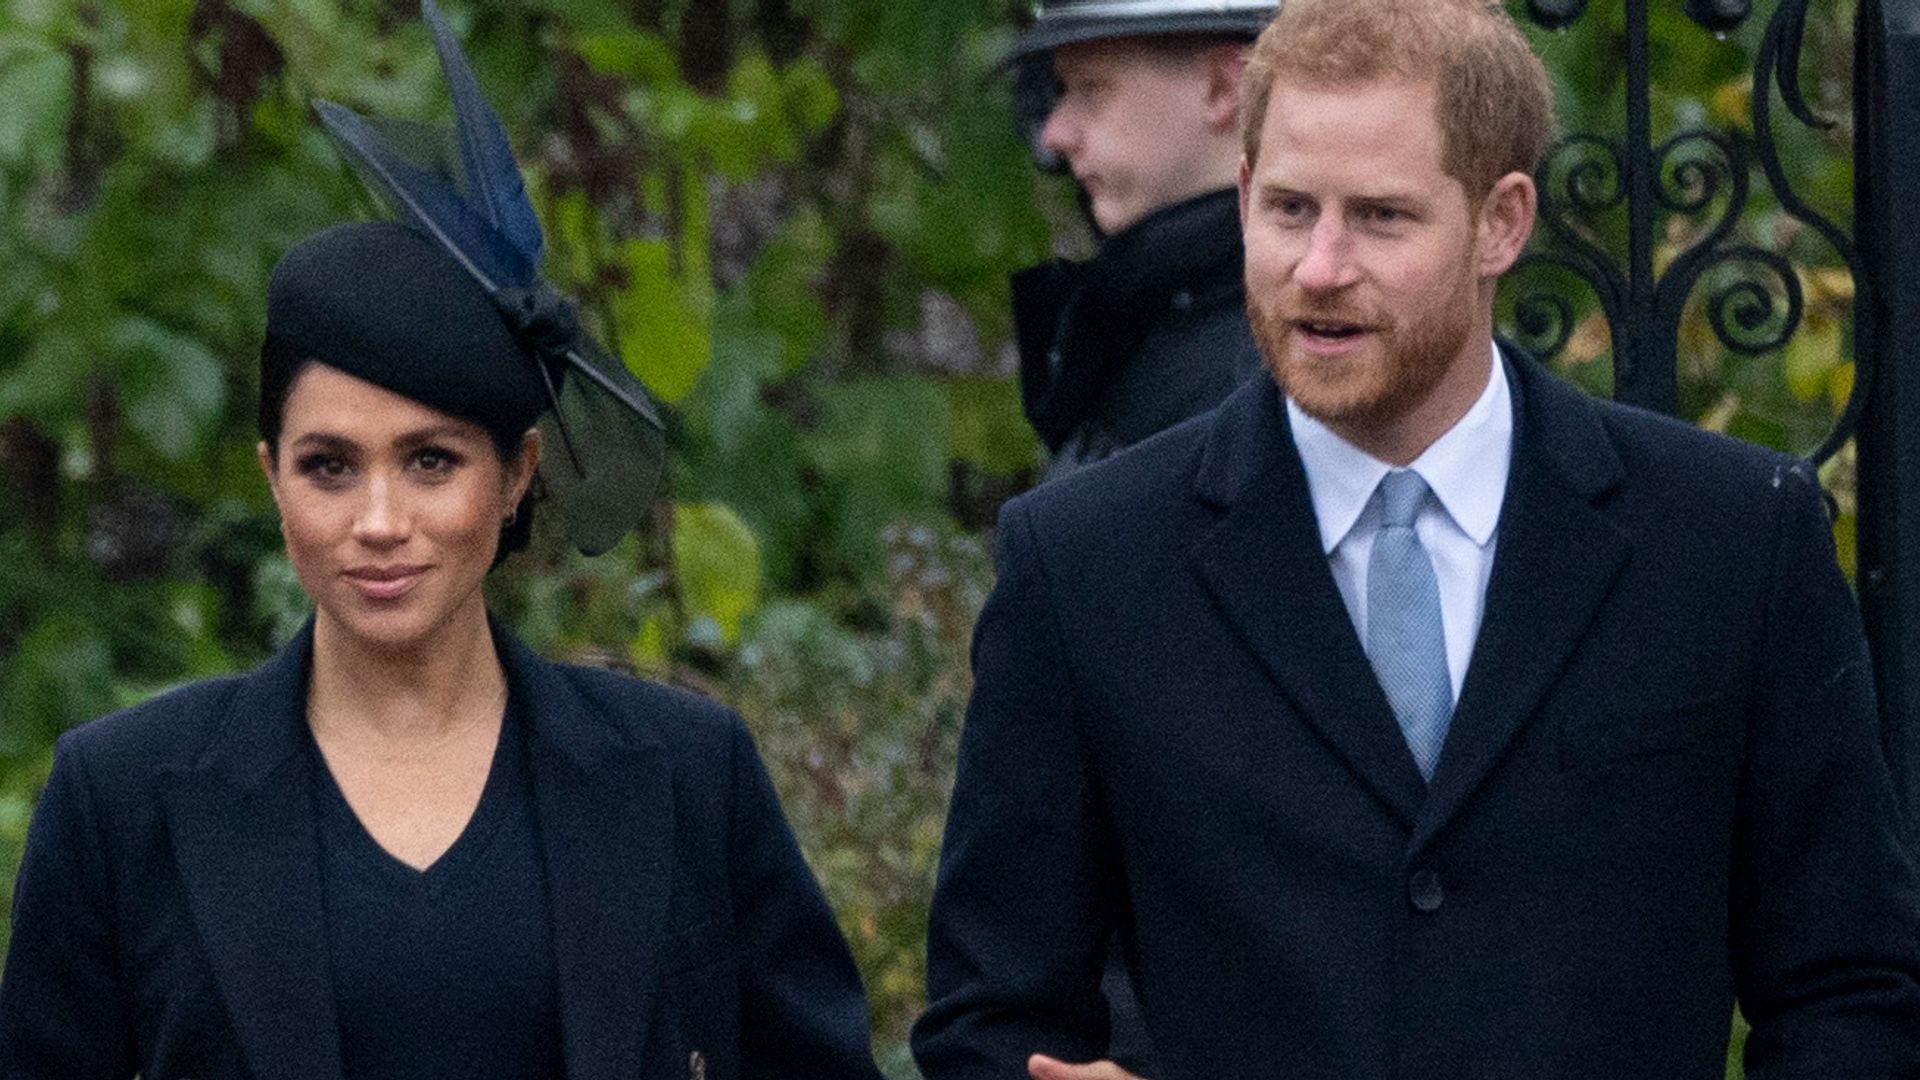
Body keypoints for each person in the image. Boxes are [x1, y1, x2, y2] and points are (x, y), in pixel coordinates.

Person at [914, 1, 1920, 1078]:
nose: (1320, 266)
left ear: (1502, 222)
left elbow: (1850, 990)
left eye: (1382, 217)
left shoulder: (1728, 541)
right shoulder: (1083, 566)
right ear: (1244, 193)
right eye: (1291, 209)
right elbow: (990, 1020)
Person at [0, 5, 886, 1078]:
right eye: (331, 465)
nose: (380, 523)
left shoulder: (685, 778)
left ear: (516, 476)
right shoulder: (122, 798)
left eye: (431, 462)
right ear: (270, 476)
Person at [1009, 0, 1273, 481]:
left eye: (1092, 89)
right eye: (1062, 91)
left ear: (1222, 86)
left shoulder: (1283, 360)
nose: (1054, 134)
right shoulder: (1149, 318)